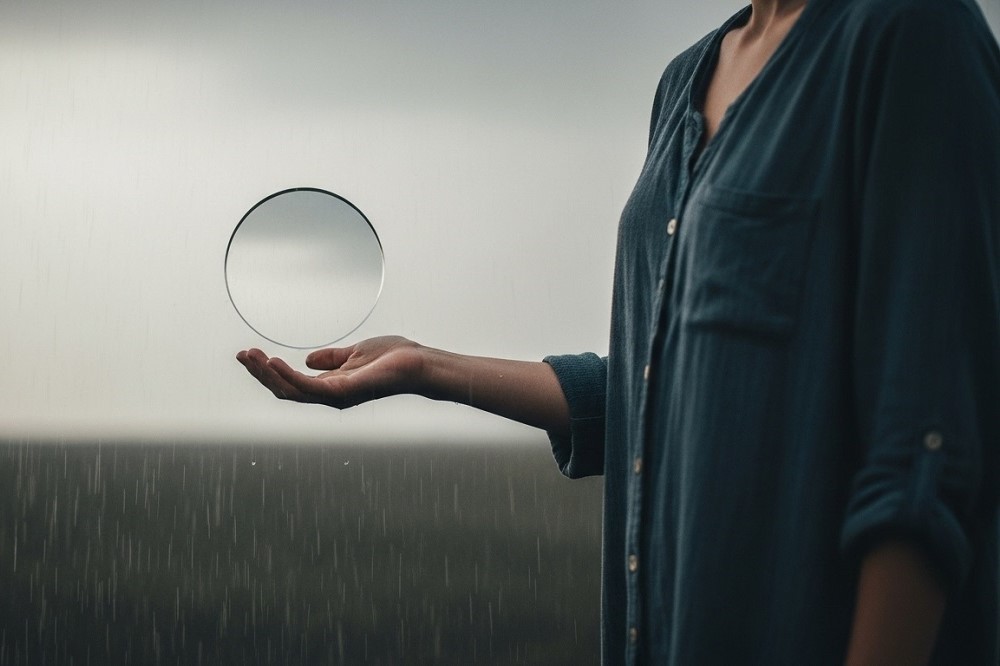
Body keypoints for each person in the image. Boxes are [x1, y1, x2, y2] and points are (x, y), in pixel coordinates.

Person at [237, 0, 1000, 662]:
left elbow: (927, 450)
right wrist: (423, 366)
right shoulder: (684, 81)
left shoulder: (913, 35)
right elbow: (661, 386)